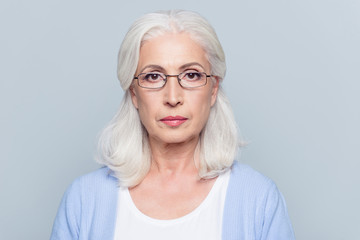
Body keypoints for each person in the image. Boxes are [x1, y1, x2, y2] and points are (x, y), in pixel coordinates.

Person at [50, 10, 295, 240]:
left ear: (213, 89)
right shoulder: (84, 200)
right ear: (134, 93)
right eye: (153, 76)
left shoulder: (258, 199)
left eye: (191, 75)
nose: (173, 97)